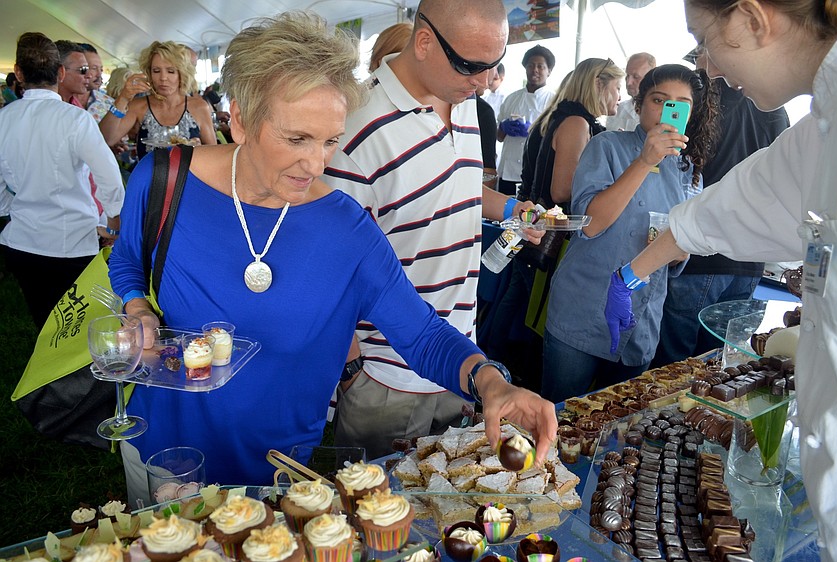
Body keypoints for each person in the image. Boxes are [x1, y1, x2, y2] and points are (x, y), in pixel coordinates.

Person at [109, 11, 556, 503]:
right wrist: (137, 306)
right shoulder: (162, 180)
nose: (316, 163)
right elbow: (128, 259)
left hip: (276, 471)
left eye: (329, 140)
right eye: (296, 138)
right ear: (239, 118)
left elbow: (423, 333)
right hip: (163, 455)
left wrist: (491, 383)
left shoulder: (345, 228)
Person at [603, 2, 837, 559]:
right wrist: (633, 272)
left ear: (752, 19)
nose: (707, 65)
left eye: (703, 38)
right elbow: (730, 206)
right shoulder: (822, 129)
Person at [323, 0, 544, 460]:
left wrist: (509, 208)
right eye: (472, 66)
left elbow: (455, 180)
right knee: (377, 518)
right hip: (387, 375)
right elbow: (332, 268)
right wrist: (352, 370)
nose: (484, 82)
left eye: (495, 66)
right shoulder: (355, 128)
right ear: (424, 42)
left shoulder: (463, 101)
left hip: (463, 354)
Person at [541, 64, 718, 403]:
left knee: (617, 429)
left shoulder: (689, 171)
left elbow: (683, 249)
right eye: (658, 100)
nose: (668, 111)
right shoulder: (606, 146)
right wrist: (643, 161)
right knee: (560, 417)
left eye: (681, 104)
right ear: (638, 105)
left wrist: (678, 248)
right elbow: (591, 223)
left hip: (641, 323)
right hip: (583, 309)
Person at [483, 58, 625, 392]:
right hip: (544, 230)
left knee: (515, 299)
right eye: (616, 87)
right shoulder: (577, 122)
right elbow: (563, 189)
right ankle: (508, 374)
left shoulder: (556, 114)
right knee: (532, 309)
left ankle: (494, 366)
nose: (619, 96)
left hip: (531, 222)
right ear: (599, 85)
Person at [651, 49, 790, 367]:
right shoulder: (771, 104)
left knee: (673, 367)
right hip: (750, 256)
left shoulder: (697, 100)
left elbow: (667, 163)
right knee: (724, 366)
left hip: (697, 251)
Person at [0, 32, 123, 327]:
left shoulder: (4, 118)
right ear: (60, 72)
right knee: (80, 327)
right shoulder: (75, 119)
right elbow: (109, 177)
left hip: (22, 241)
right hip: (73, 242)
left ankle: (48, 369)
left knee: (44, 325)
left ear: (18, 72)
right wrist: (113, 223)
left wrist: (6, 211)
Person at [98, 40, 215, 158]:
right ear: (149, 73)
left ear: (182, 74)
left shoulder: (199, 107)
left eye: (171, 71)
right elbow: (106, 139)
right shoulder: (139, 106)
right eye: (156, 71)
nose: (163, 78)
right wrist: (123, 97)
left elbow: (213, 154)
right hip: (147, 176)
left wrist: (200, 151)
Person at [496, 45, 555, 196]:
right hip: (507, 172)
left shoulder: (554, 101)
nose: (535, 70)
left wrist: (533, 131)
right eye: (530, 65)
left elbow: (556, 140)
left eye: (540, 66)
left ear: (549, 71)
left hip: (535, 173)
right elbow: (499, 137)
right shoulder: (512, 98)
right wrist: (503, 127)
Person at [604, 52, 655, 132]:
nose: (629, 82)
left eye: (636, 77)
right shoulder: (618, 110)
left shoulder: (661, 112)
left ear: (651, 78)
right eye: (627, 76)